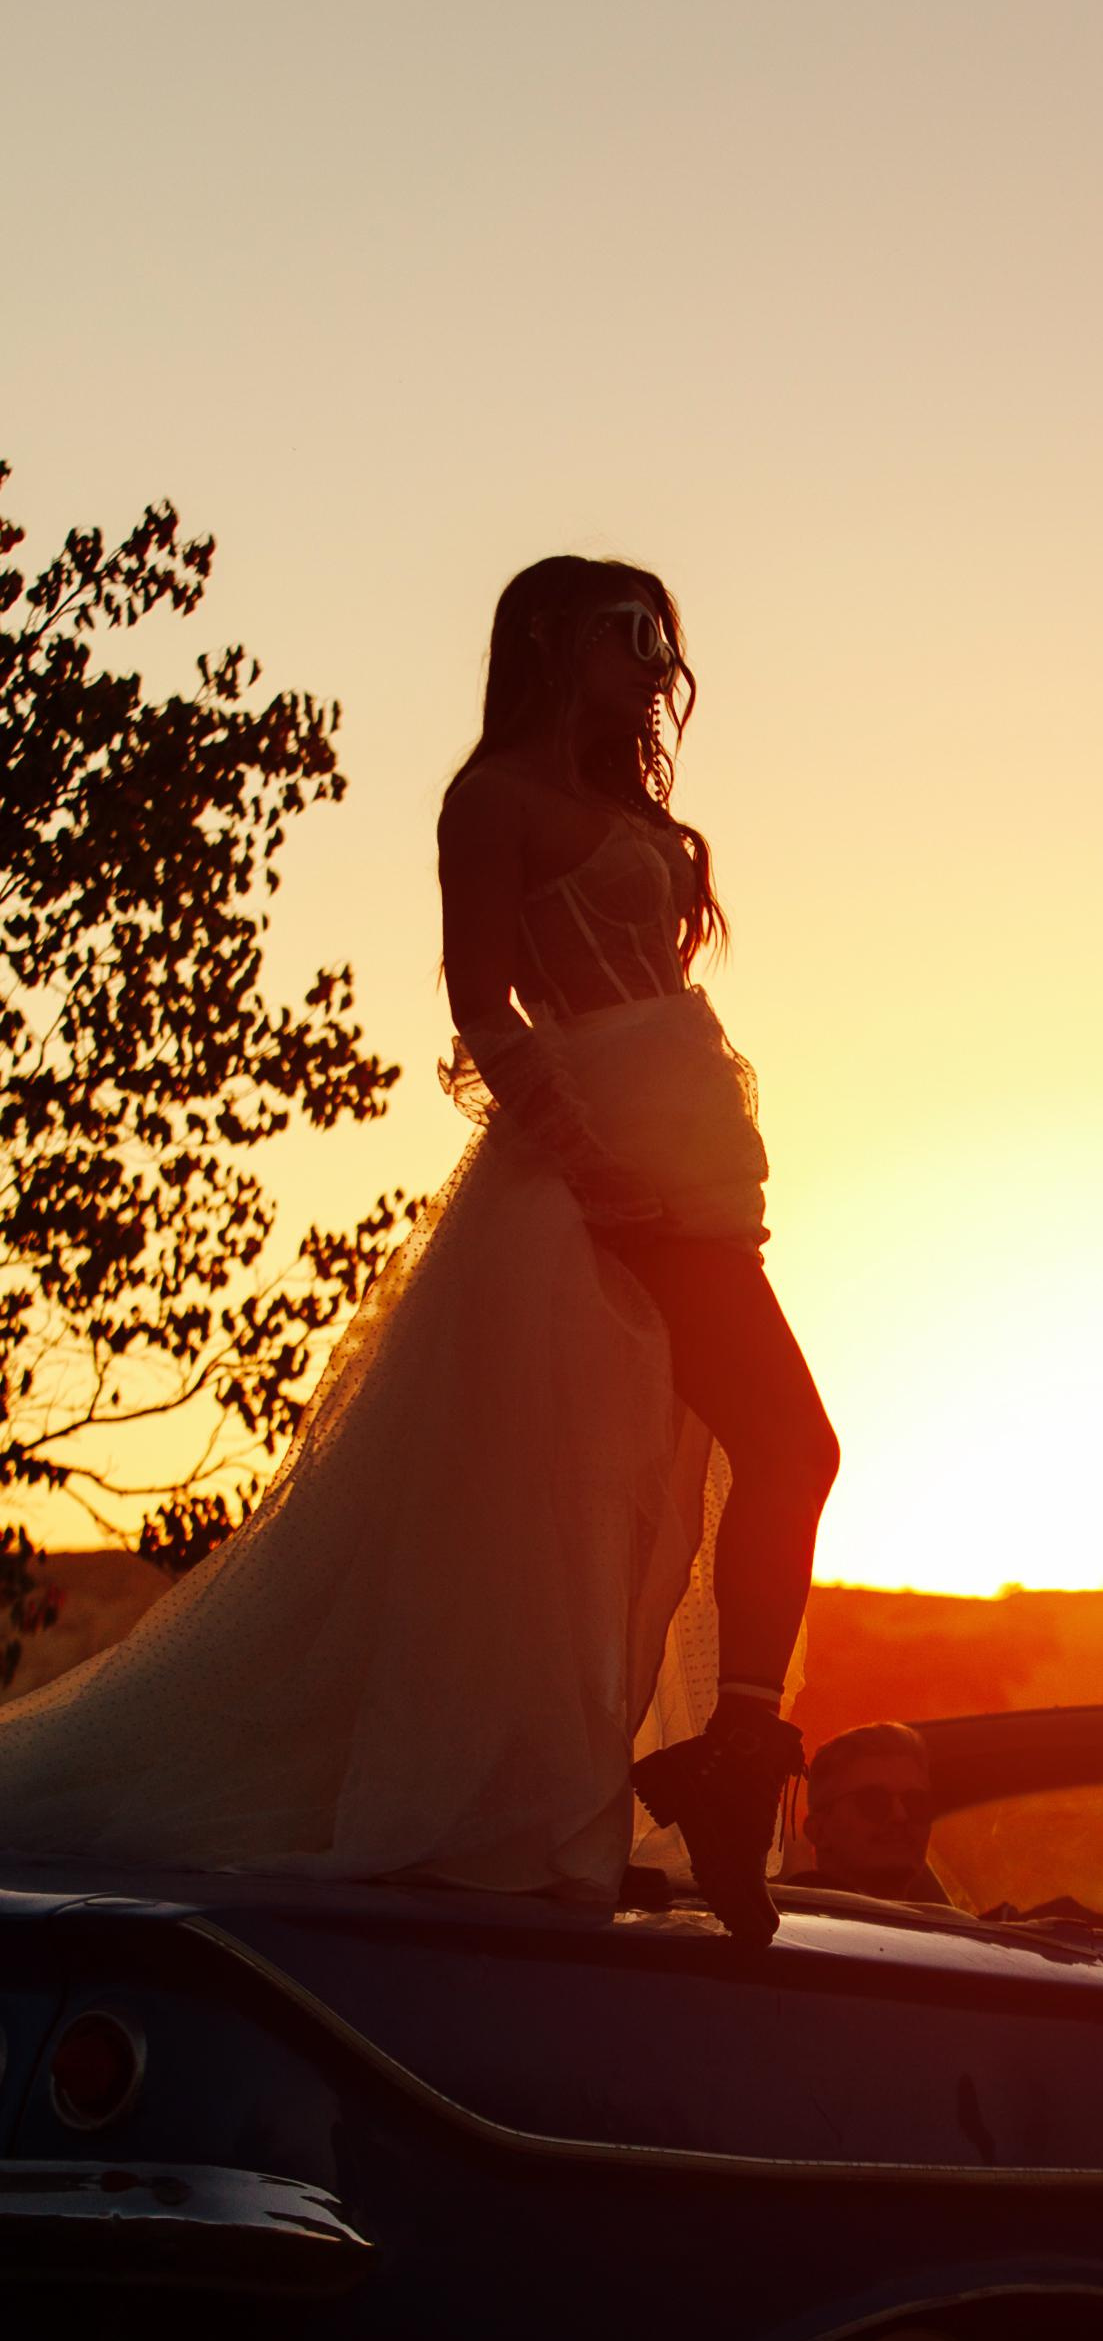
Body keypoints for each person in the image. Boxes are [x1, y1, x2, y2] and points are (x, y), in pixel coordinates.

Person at [0, 556, 836, 1943]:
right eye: (622, 633)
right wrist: (592, 1168)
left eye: (659, 633)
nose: (650, 657)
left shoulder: (629, 807)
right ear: (548, 643)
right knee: (576, 1506)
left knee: (761, 1458)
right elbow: (480, 1000)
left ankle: (723, 1755)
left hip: (682, 1174)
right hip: (585, 1188)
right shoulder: (489, 800)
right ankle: (589, 1800)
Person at [794, 1721, 946, 1905]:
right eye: (873, 1801)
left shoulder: (947, 1924)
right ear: (818, 1830)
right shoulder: (789, 1922)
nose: (900, 1815)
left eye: (915, 1802)